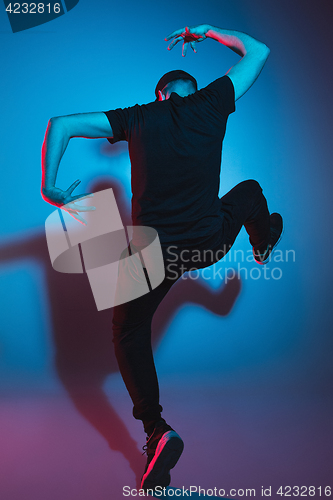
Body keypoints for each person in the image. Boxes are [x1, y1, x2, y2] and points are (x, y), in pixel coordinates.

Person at [41, 24, 283, 492]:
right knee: (251, 192)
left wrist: (50, 187)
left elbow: (62, 125)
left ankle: (157, 431)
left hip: (153, 255)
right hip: (209, 241)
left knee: (129, 332)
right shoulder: (213, 102)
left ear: (160, 97)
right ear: (192, 93)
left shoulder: (139, 118)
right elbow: (259, 50)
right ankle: (263, 240)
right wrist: (206, 32)